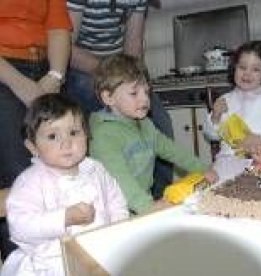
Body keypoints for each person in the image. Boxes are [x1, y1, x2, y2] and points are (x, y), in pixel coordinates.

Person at [1, 94, 129, 275]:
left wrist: (118, 231)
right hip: (51, 264)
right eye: (53, 136)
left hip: (99, 256)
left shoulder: (95, 169)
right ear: (33, 147)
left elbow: (116, 201)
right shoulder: (30, 182)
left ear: (87, 135)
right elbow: (20, 227)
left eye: (74, 133)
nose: (67, 143)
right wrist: (63, 218)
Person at [65, 0, 174, 200]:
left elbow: (133, 44)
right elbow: (67, 48)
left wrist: (138, 81)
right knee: (102, 129)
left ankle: (162, 199)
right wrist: (112, 75)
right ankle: (110, 199)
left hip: (119, 70)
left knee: (160, 122)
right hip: (81, 67)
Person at [89, 53, 218, 214]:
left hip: (139, 205)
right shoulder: (103, 136)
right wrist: (147, 206)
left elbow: (173, 151)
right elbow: (119, 179)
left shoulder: (145, 125)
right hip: (114, 213)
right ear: (108, 97)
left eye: (146, 92)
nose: (144, 100)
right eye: (134, 93)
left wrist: (202, 169)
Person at [0, 0, 72, 261]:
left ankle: (60, 258)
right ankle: (24, 263)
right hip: (4, 71)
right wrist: (20, 84)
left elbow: (58, 26)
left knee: (70, 156)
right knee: (21, 172)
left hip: (45, 69)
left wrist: (55, 76)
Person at [203, 40, 261, 181]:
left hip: (260, 161)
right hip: (227, 160)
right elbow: (212, 136)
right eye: (242, 67)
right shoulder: (225, 100)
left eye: (255, 69)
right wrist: (215, 116)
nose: (247, 74)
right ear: (234, 68)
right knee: (209, 182)